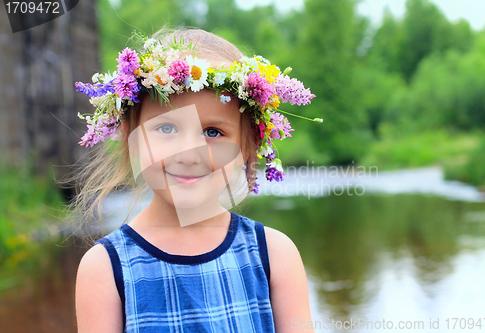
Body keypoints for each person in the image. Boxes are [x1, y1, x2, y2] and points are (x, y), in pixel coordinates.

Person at [71, 27, 321, 333]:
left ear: (246, 146)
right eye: (166, 129)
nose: (189, 155)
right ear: (130, 137)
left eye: (213, 132)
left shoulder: (274, 256)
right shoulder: (106, 269)